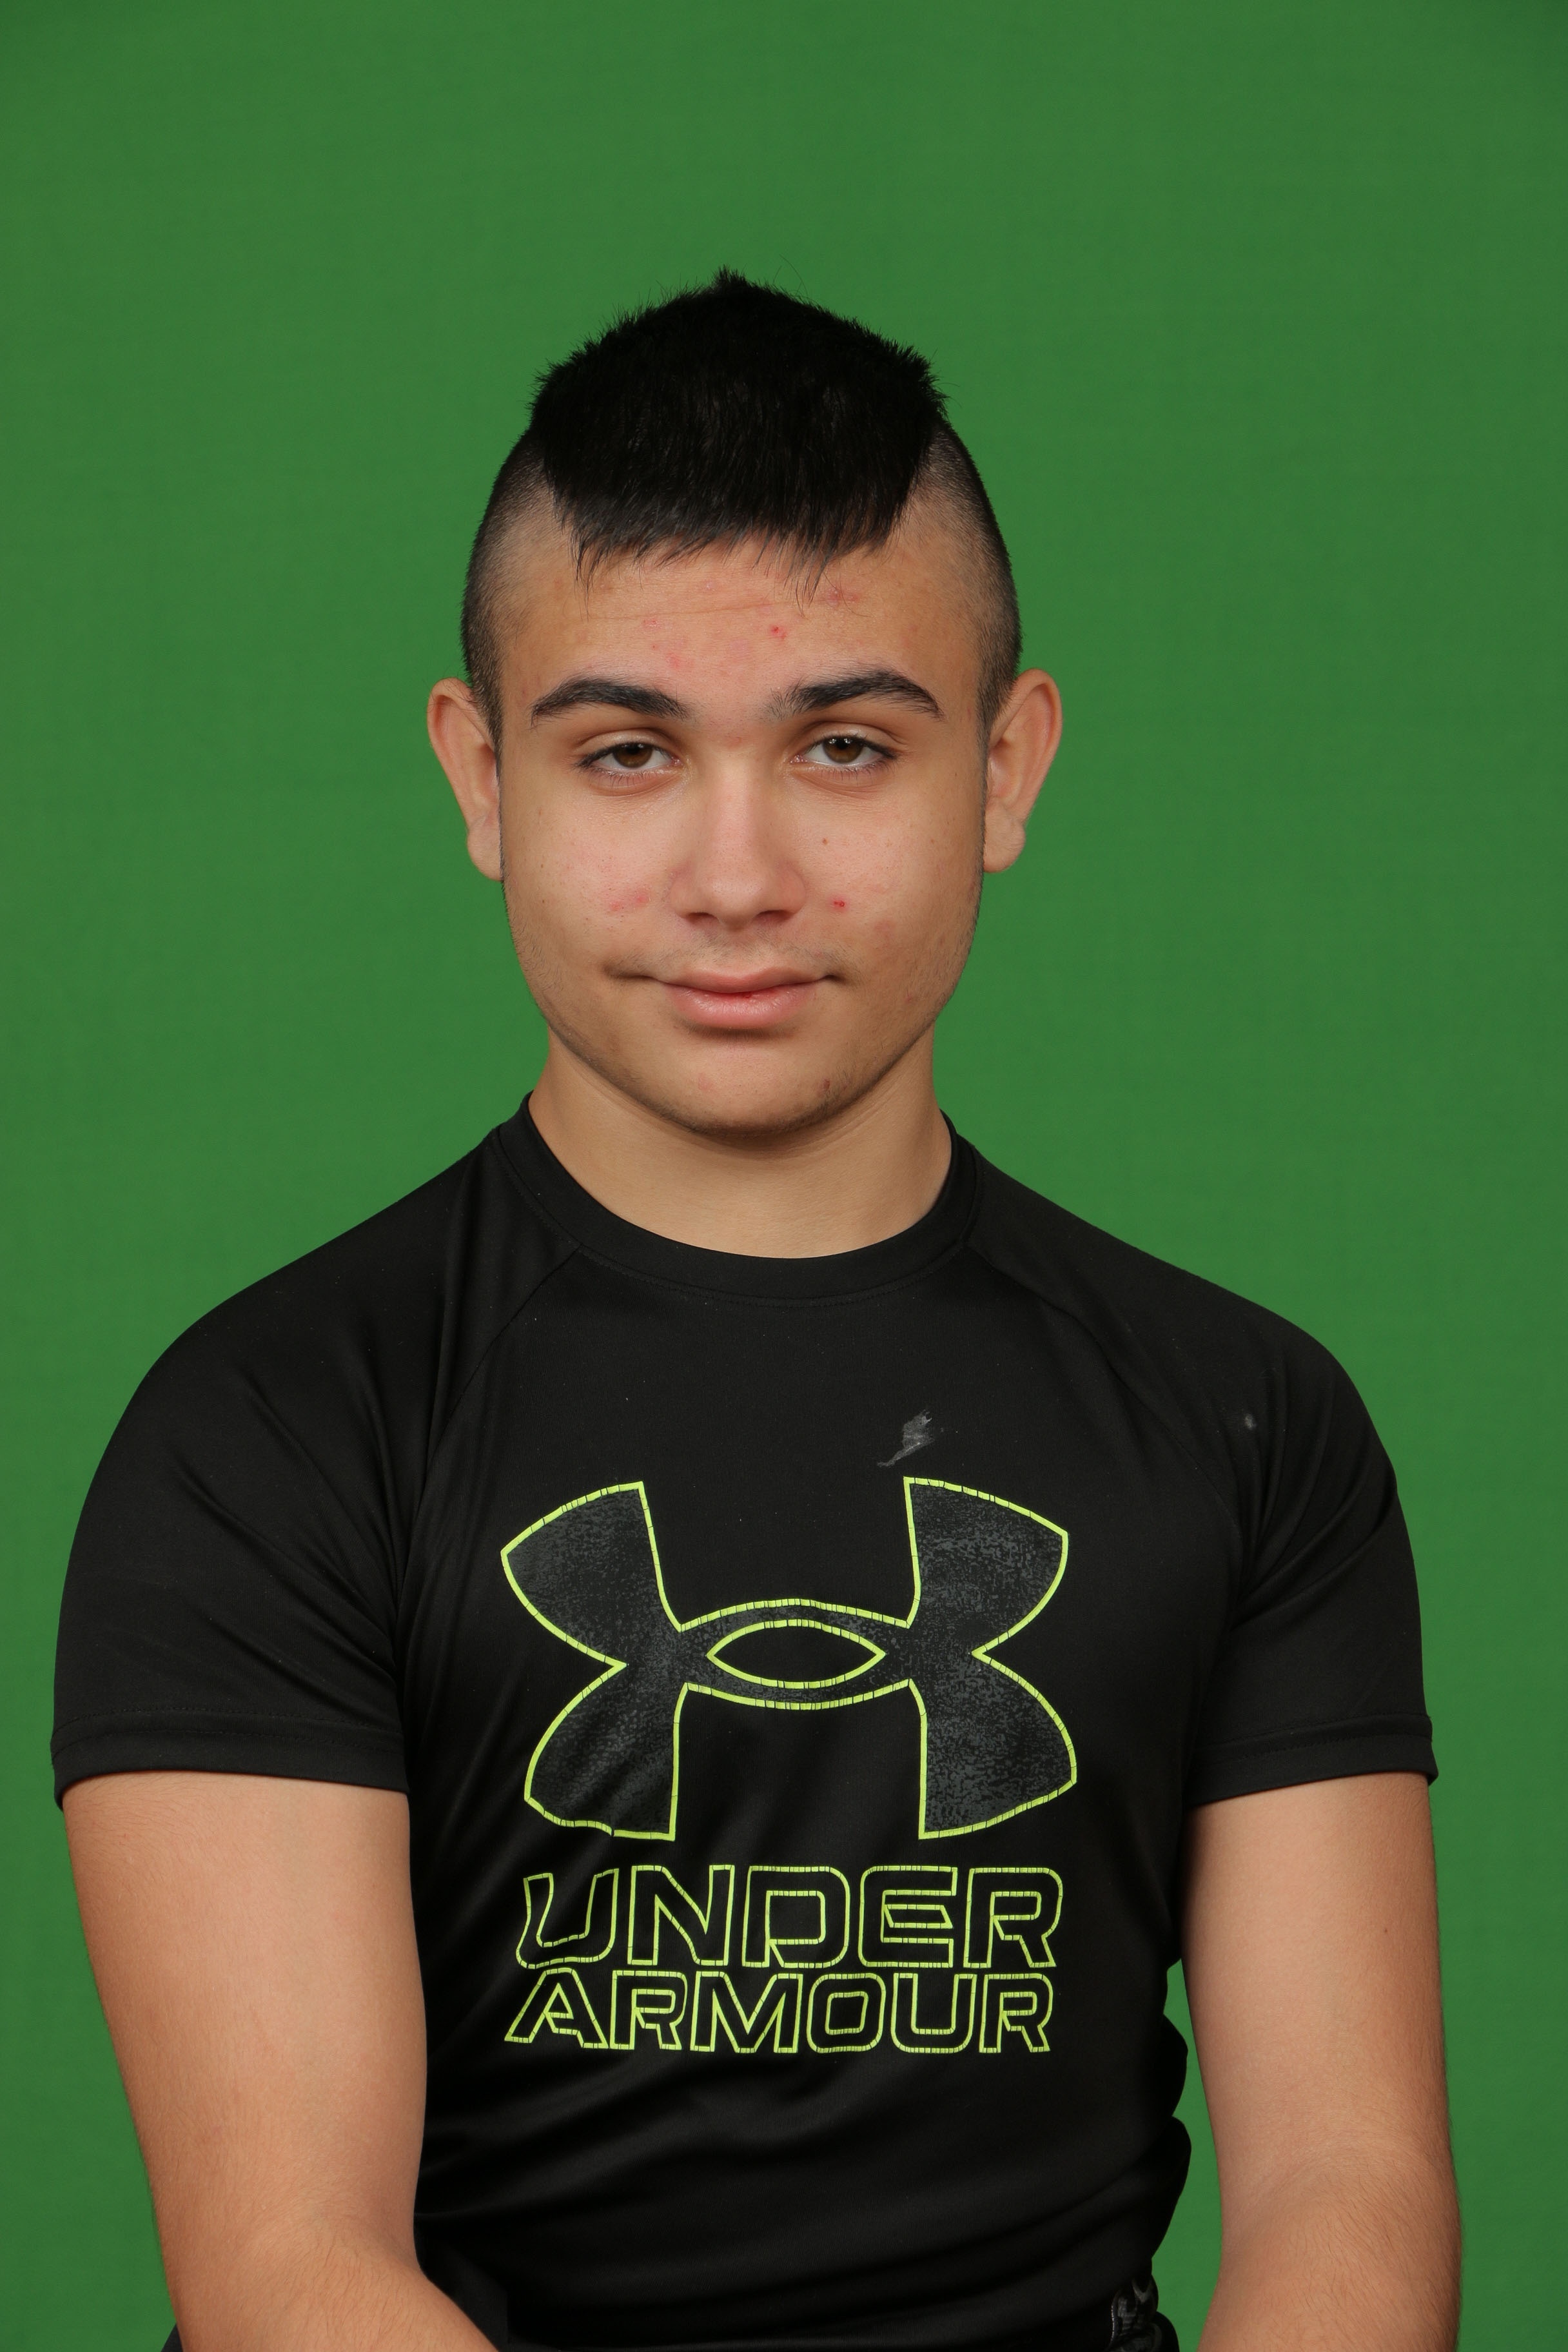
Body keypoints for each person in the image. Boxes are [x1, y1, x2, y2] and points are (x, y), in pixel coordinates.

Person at [54, 271, 1460, 2352]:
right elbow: (290, 2269)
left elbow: (1352, 2192)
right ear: (481, 778)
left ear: (1006, 767)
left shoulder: (1249, 1419)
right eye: (627, 752)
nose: (738, 875)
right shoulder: (269, 1429)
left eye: (846, 747)